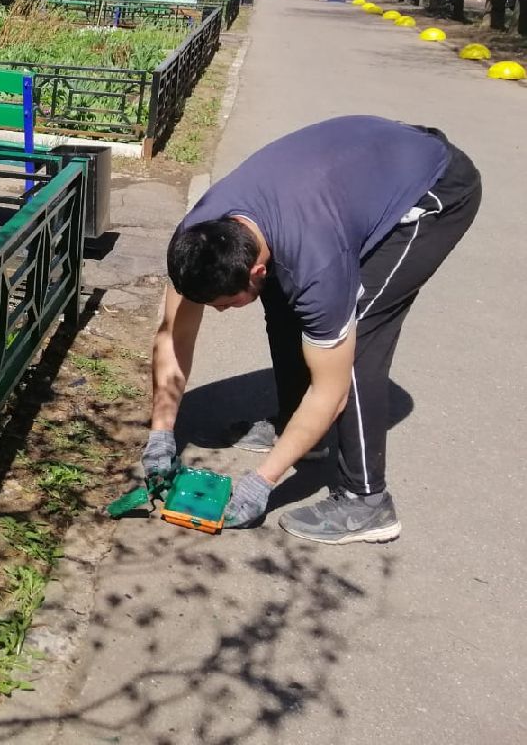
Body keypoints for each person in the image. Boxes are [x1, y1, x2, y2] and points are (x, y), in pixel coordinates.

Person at [143, 115, 480, 544]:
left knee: (356, 339)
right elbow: (175, 334)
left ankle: (366, 500)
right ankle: (298, 429)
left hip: (433, 188)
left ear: (256, 268)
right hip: (357, 170)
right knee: (283, 302)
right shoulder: (200, 235)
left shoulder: (318, 269)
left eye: (225, 304)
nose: (222, 312)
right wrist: (161, 433)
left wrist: (259, 483)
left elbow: (330, 391)